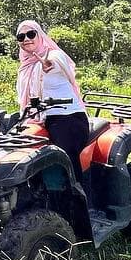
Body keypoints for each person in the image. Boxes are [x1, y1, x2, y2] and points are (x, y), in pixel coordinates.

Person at [14, 19, 88, 176]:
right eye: (21, 37)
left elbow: (57, 62)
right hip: (38, 118)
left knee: (63, 159)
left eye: (31, 34)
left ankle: (76, 194)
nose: (26, 39)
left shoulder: (53, 55)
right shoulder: (26, 64)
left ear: (40, 35)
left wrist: (49, 64)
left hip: (67, 117)